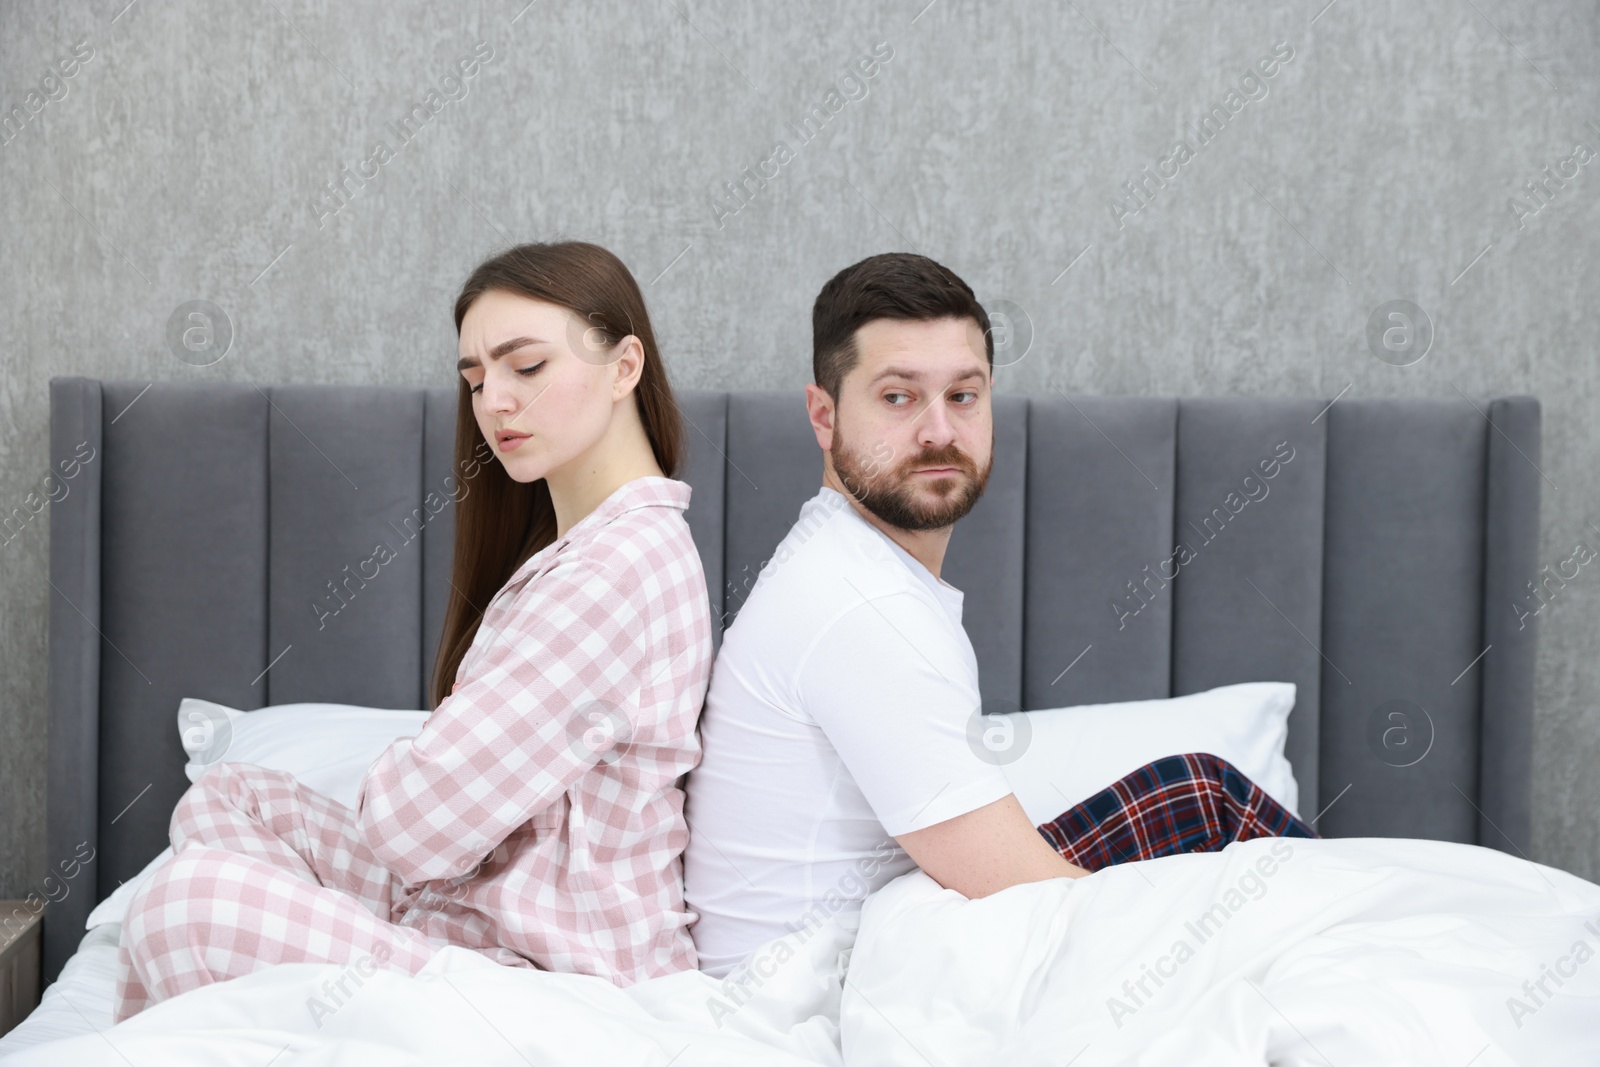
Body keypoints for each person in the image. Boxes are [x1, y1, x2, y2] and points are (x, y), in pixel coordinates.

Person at [113, 241, 714, 1020]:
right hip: (467, 919)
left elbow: (411, 827)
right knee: (229, 794)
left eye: (525, 366)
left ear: (624, 365)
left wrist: (419, 761)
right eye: (475, 380)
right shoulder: (587, 551)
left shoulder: (616, 573)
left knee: (179, 903)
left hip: (551, 980)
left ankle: (315, 985)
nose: (494, 400)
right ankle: (322, 983)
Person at [681, 252, 1315, 979]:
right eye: (897, 397)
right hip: (824, 1000)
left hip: (869, 951)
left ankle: (1351, 937)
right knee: (1207, 807)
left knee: (1198, 796)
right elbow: (1030, 893)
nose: (938, 430)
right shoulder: (864, 606)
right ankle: (1359, 949)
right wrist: (1201, 957)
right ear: (824, 416)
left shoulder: (846, 561)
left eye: (963, 395)